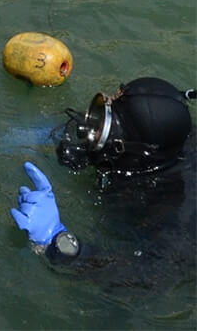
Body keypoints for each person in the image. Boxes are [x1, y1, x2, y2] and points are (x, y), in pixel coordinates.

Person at [11, 76, 195, 283]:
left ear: (128, 151)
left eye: (104, 130)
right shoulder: (159, 139)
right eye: (101, 114)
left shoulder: (171, 214)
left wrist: (61, 245)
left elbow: (149, 276)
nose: (90, 129)